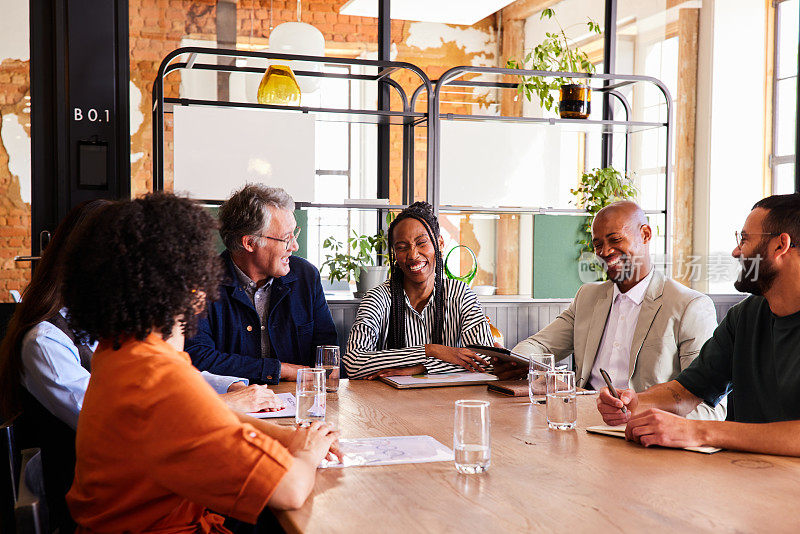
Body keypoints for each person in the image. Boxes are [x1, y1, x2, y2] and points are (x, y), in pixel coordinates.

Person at [0, 200, 284, 532]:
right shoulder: (44, 341)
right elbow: (122, 417)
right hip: (107, 507)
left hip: (146, 487)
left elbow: (168, 379)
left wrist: (232, 385)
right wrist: (222, 405)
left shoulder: (111, 327)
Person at [62, 193, 340, 532]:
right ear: (189, 286)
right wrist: (308, 451)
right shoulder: (163, 383)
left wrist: (290, 438)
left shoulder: (119, 351)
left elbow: (216, 419)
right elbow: (290, 490)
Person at [597, 193, 800, 455]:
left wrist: (699, 431)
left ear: (780, 245)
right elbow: (687, 391)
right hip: (742, 477)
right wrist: (635, 402)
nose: (736, 251)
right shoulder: (744, 317)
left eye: (745, 239)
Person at [503, 201, 725, 420]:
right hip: (580, 421)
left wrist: (641, 415)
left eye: (615, 239)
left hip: (645, 434)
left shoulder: (690, 306)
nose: (605, 251)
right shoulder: (587, 297)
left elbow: (710, 408)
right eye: (598, 244)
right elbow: (537, 346)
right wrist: (518, 363)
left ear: (646, 235)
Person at [185, 185, 337, 384]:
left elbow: (327, 353)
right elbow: (197, 358)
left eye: (294, 235)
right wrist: (279, 370)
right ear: (249, 243)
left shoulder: (306, 276)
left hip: (300, 402)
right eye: (285, 238)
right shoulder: (202, 282)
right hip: (235, 405)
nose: (294, 246)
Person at [344, 202, 493, 379]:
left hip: (450, 402)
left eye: (421, 243)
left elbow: (485, 360)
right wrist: (431, 350)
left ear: (440, 244)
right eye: (401, 247)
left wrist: (422, 368)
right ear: (394, 254)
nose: (413, 255)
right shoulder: (377, 298)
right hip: (389, 403)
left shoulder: (460, 294)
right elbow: (353, 362)